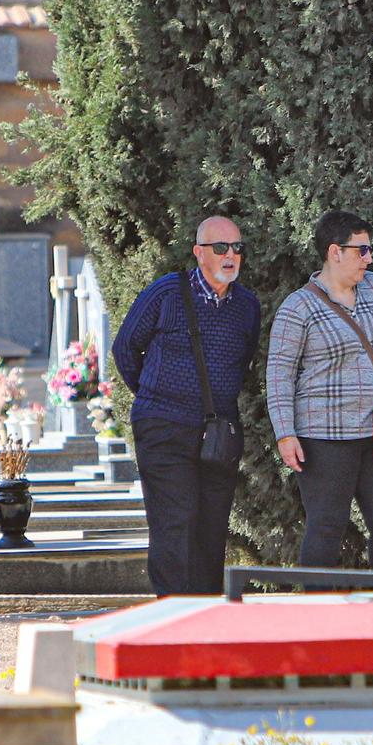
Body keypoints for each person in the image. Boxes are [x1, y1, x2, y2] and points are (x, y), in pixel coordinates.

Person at [113, 215, 261, 595]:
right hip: (164, 425)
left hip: (218, 432)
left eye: (237, 248)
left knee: (212, 526)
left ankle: (205, 618)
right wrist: (155, 396)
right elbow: (126, 347)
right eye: (220, 248)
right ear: (199, 252)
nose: (231, 255)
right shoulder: (167, 293)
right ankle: (174, 618)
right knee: (174, 522)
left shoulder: (246, 306)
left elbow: (243, 362)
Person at [266, 209, 373, 569]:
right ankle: (318, 620)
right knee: (327, 527)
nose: (369, 258)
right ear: (334, 252)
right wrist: (285, 434)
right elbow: (279, 374)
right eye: (361, 250)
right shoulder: (297, 307)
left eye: (369, 249)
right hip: (325, 438)